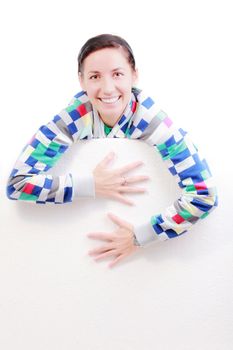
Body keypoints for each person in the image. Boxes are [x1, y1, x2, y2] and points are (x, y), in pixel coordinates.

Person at [6, 33, 218, 268]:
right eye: (95, 76)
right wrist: (90, 185)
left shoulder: (153, 122)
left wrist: (142, 235)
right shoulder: (75, 116)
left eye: (117, 74)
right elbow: (17, 184)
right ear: (81, 81)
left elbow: (204, 194)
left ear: (134, 75)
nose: (107, 89)